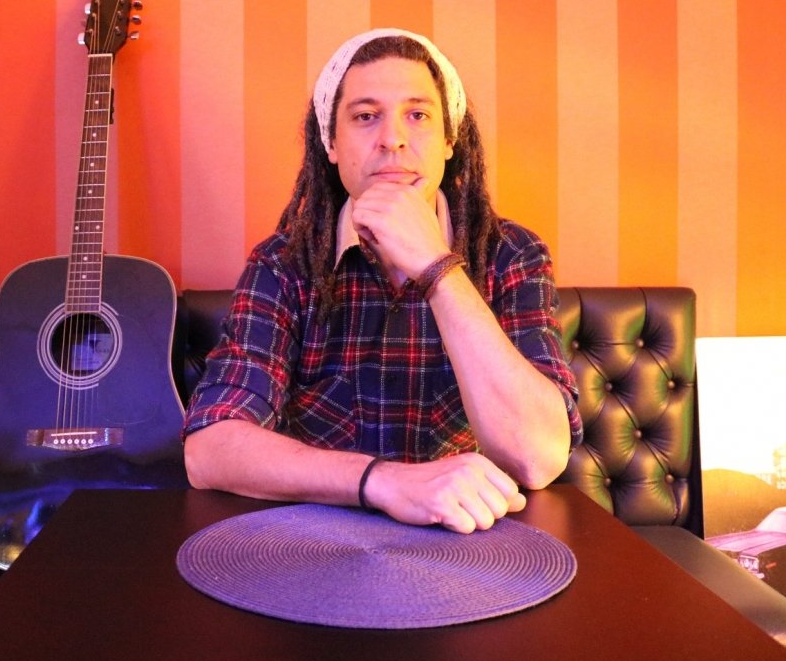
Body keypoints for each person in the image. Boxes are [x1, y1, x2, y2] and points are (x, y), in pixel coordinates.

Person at [182, 28, 582, 534]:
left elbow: (538, 458)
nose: (392, 139)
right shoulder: (283, 263)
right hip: (319, 539)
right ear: (331, 143)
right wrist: (386, 482)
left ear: (449, 140)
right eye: (365, 116)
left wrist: (436, 266)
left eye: (418, 115)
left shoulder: (510, 254)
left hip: (467, 539)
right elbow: (210, 448)